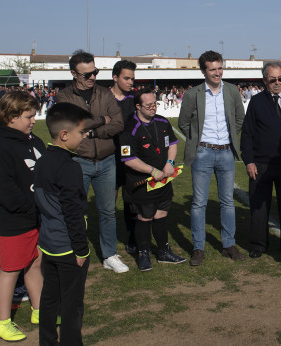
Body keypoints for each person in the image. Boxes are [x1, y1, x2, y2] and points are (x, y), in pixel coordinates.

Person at [57, 50, 128, 273]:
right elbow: (72, 126)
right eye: (87, 74)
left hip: (106, 160)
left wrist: (95, 131)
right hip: (78, 160)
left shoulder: (104, 94)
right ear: (73, 74)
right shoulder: (64, 97)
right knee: (75, 210)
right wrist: (101, 119)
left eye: (95, 72)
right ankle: (74, 252)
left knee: (107, 211)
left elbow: (118, 123)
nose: (93, 78)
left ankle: (109, 255)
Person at [0, 91, 45, 341]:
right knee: (10, 270)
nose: (33, 120)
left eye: (34, 115)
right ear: (11, 116)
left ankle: (40, 310)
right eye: (28, 116)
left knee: (35, 264)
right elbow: (4, 191)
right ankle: (2, 322)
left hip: (37, 217)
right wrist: (34, 206)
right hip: (14, 219)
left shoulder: (34, 141)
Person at [178, 51, 246, 266]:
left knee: (227, 202)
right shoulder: (192, 94)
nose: (217, 72)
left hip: (226, 152)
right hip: (203, 153)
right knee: (199, 203)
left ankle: (229, 245)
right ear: (203, 71)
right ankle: (198, 247)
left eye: (219, 68)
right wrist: (199, 142)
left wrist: (229, 138)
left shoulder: (233, 91)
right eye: (212, 69)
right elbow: (184, 123)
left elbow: (239, 119)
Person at [34, 103, 92, 345]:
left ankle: (47, 341)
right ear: (64, 135)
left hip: (49, 244)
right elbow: (72, 211)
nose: (85, 136)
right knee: (71, 304)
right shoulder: (69, 167)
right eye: (82, 132)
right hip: (68, 247)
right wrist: (80, 249)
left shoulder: (44, 159)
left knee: (49, 298)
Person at [240, 62, 281, 258]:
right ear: (265, 81)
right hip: (261, 165)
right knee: (259, 208)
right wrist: (249, 161)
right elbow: (247, 134)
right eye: (273, 79)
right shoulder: (256, 102)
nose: (277, 83)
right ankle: (258, 245)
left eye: (280, 79)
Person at [119, 89, 186, 271]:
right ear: (138, 106)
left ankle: (164, 252)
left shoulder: (162, 121)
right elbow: (128, 159)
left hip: (163, 180)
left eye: (154, 104)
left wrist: (170, 163)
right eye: (148, 106)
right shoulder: (129, 127)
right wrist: (152, 171)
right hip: (143, 183)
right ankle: (144, 253)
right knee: (145, 217)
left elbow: (172, 144)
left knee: (161, 215)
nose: (153, 108)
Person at [110, 60, 139, 256]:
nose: (130, 82)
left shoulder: (134, 99)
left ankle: (133, 240)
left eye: (132, 78)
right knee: (109, 204)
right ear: (115, 77)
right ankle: (109, 243)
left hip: (130, 158)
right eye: (126, 78)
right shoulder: (103, 98)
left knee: (132, 202)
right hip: (108, 157)